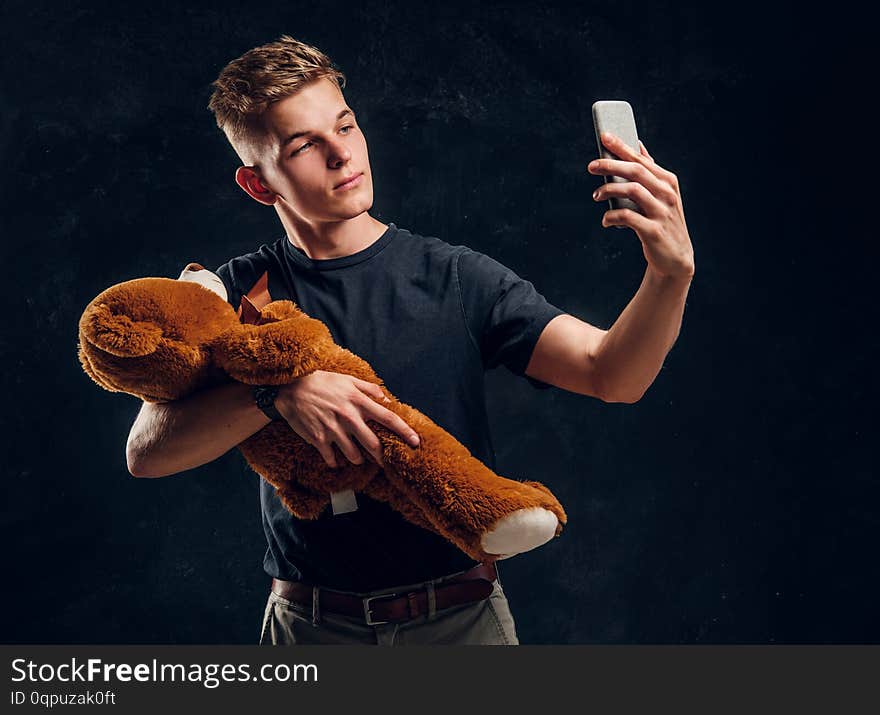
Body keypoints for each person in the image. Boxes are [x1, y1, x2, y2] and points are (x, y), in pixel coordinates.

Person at [125, 35, 695, 646]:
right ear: (259, 185)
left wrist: (669, 275)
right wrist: (275, 397)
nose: (342, 155)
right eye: (304, 146)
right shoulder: (231, 294)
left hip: (462, 623)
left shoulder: (454, 276)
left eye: (345, 127)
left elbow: (614, 375)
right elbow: (146, 453)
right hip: (311, 628)